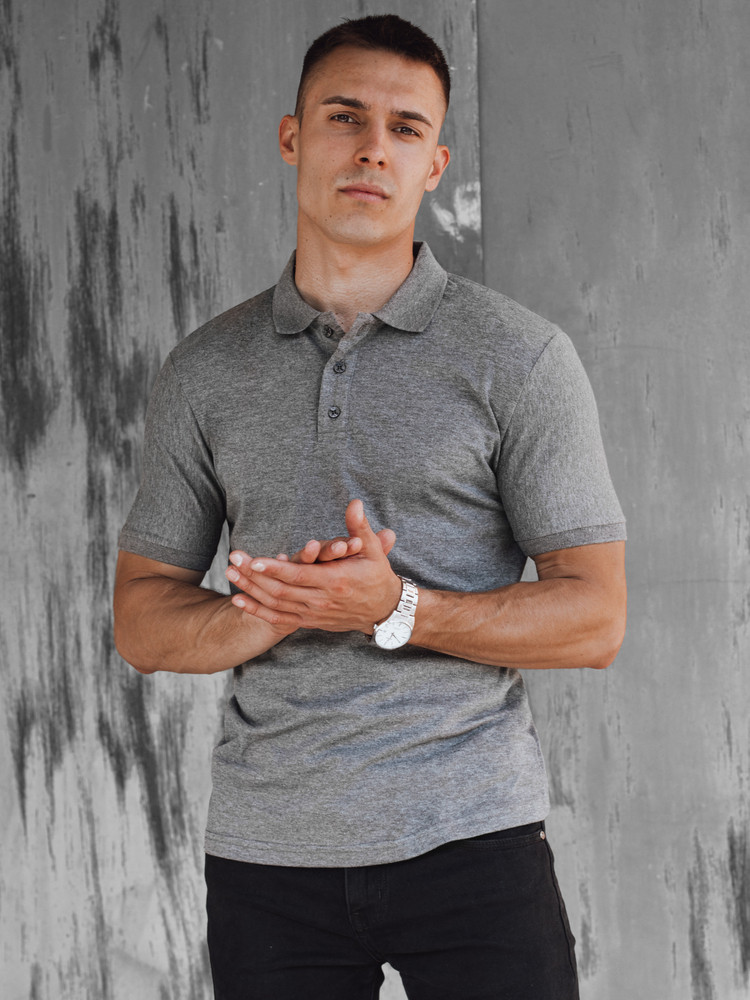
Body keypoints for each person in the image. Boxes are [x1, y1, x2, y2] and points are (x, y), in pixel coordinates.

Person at [114, 13, 627, 1000]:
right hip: (268, 855)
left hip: (471, 839)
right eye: (344, 117)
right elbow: (141, 617)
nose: (372, 148)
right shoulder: (203, 372)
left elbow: (596, 618)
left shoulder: (521, 358)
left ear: (434, 164)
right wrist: (261, 613)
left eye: (405, 127)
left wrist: (395, 609)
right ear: (293, 137)